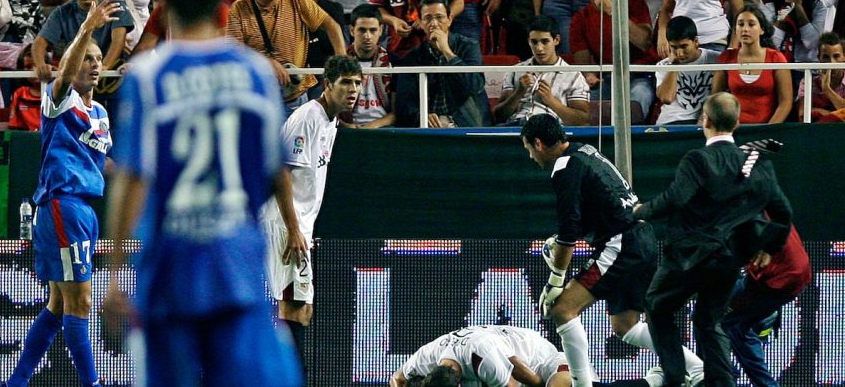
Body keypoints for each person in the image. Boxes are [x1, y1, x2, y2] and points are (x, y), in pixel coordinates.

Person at [102, 0, 303, 387]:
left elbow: (132, 181)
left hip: (171, 268)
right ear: (222, 4)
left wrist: (116, 272)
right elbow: (275, 171)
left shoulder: (149, 78)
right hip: (237, 264)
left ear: (163, 2)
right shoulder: (255, 73)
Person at [520, 114, 704, 387]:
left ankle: (581, 385)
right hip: (642, 238)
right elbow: (586, 218)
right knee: (626, 326)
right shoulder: (585, 150)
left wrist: (555, 281)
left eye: (528, 150)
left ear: (538, 143)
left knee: (562, 310)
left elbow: (570, 231)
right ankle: (697, 368)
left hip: (621, 245)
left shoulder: (563, 167)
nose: (531, 157)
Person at [634, 91, 793, 387]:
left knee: (657, 306)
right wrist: (768, 247)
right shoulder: (758, 164)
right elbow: (783, 214)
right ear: (737, 123)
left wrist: (641, 211)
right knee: (708, 322)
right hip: (728, 261)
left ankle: (673, 377)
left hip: (686, 258)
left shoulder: (698, 159)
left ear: (704, 119)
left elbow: (675, 199)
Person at [2, 0, 119, 387]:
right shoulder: (59, 98)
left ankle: (17, 381)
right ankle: (93, 384)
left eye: (98, 58)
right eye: (87, 57)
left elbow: (103, 163)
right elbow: (64, 75)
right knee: (81, 301)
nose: (94, 63)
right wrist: (86, 28)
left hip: (85, 208)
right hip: (62, 205)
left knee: (56, 305)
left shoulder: (100, 112)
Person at [261, 55, 362, 370]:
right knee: (292, 308)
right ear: (328, 84)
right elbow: (281, 173)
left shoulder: (331, 120)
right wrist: (293, 229)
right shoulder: (308, 117)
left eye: (357, 83)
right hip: (283, 223)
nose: (353, 90)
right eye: (346, 82)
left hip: (297, 224)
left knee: (299, 309)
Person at [226, 0, 347, 113]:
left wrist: (341, 61)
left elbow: (331, 26)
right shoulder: (239, 8)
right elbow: (233, 52)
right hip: (257, 98)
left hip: (295, 98)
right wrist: (266, 62)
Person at [722, 218, 811, 387]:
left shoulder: (743, 213)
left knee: (711, 318)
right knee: (738, 328)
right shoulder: (767, 201)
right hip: (793, 277)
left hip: (775, 282)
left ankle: (721, 376)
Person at [569, 0, 658, 122]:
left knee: (633, 106)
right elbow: (582, 60)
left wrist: (613, 11)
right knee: (583, 109)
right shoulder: (580, 18)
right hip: (608, 78)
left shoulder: (634, 3)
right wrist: (589, 75)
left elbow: (644, 42)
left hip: (640, 75)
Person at [395, 0, 491, 127]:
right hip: (430, 128)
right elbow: (403, 104)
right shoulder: (412, 58)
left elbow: (475, 85)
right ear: (421, 23)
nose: (434, 24)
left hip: (467, 124)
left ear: (450, 19)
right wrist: (421, 116)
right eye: (427, 18)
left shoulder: (469, 46)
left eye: (439, 18)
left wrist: (448, 53)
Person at [32, 0, 134, 83]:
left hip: (112, 77)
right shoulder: (62, 12)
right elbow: (39, 43)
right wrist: (41, 65)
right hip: (80, 78)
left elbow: (118, 41)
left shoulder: (116, 6)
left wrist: (104, 67)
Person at [390, 325, 572, 387]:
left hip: (539, 357)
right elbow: (397, 378)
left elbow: (528, 380)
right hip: (502, 359)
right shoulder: (426, 357)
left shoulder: (483, 357)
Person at [495, 15, 589, 126]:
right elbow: (499, 116)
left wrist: (551, 101)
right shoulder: (515, 71)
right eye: (534, 42)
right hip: (517, 127)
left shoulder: (574, 76)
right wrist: (519, 92)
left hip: (551, 130)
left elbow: (583, 121)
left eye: (545, 42)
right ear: (528, 41)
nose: (539, 48)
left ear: (556, 40)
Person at [712, 6, 792, 124]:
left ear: (762, 29)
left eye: (751, 24)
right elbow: (716, 97)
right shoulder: (726, 57)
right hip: (733, 130)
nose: (745, 29)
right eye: (740, 24)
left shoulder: (776, 58)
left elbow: (785, 102)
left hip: (766, 130)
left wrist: (768, 129)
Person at [287, 0, 349, 99]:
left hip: (323, 78)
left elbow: (331, 47)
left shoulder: (333, 9)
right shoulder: (282, 12)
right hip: (291, 79)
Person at [654, 16, 720, 126]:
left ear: (696, 41)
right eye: (674, 47)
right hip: (671, 121)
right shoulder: (663, 65)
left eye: (684, 46)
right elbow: (667, 98)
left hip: (704, 121)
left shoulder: (715, 59)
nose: (679, 53)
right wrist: (674, 66)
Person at [340, 4, 396, 128]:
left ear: (381, 30)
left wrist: (371, 126)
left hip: (383, 128)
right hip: (347, 129)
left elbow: (396, 113)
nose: (367, 36)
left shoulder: (394, 62)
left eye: (373, 30)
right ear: (351, 30)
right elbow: (329, 106)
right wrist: (344, 125)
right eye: (362, 30)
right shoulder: (339, 62)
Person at [795, 31, 845, 121]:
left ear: (844, 57)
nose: (831, 62)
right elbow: (803, 114)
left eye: (836, 56)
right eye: (826, 57)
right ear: (819, 58)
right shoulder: (807, 81)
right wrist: (839, 114)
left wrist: (827, 89)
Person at [7, 43, 43, 131]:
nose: (33, 70)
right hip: (26, 139)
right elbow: (14, 126)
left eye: (37, 66)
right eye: (28, 67)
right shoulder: (20, 93)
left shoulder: (54, 91)